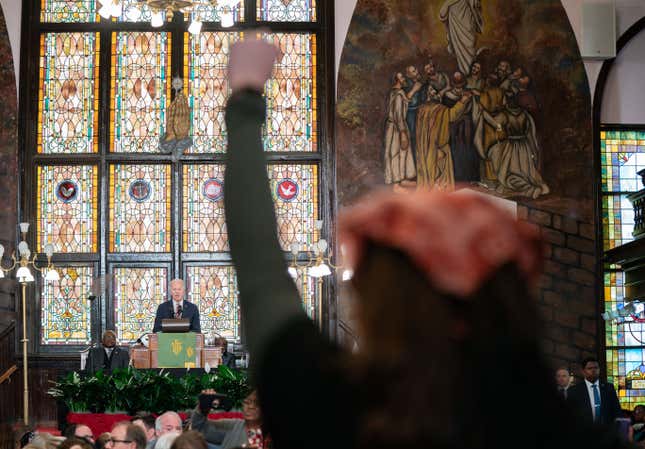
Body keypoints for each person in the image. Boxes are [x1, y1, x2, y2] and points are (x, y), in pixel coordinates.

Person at [222, 36, 633, 449]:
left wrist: (245, 102)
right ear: (513, 298)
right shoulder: (570, 436)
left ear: (379, 302)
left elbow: (260, 271)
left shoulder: (334, 410)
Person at [190, 390, 264, 449]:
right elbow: (199, 429)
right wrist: (202, 408)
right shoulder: (232, 426)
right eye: (247, 402)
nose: (251, 406)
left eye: (257, 403)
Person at [567, 357, 622, 426]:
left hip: (606, 432)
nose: (593, 370)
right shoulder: (574, 391)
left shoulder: (609, 388)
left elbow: (617, 411)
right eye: (590, 368)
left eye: (596, 368)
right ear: (583, 371)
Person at [383, 72, 416, 186]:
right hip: (396, 127)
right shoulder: (397, 95)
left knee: (403, 152)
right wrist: (402, 132)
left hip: (397, 125)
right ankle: (396, 184)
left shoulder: (397, 93)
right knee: (395, 152)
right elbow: (398, 114)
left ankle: (402, 179)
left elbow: (406, 100)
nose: (404, 78)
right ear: (397, 80)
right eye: (402, 77)